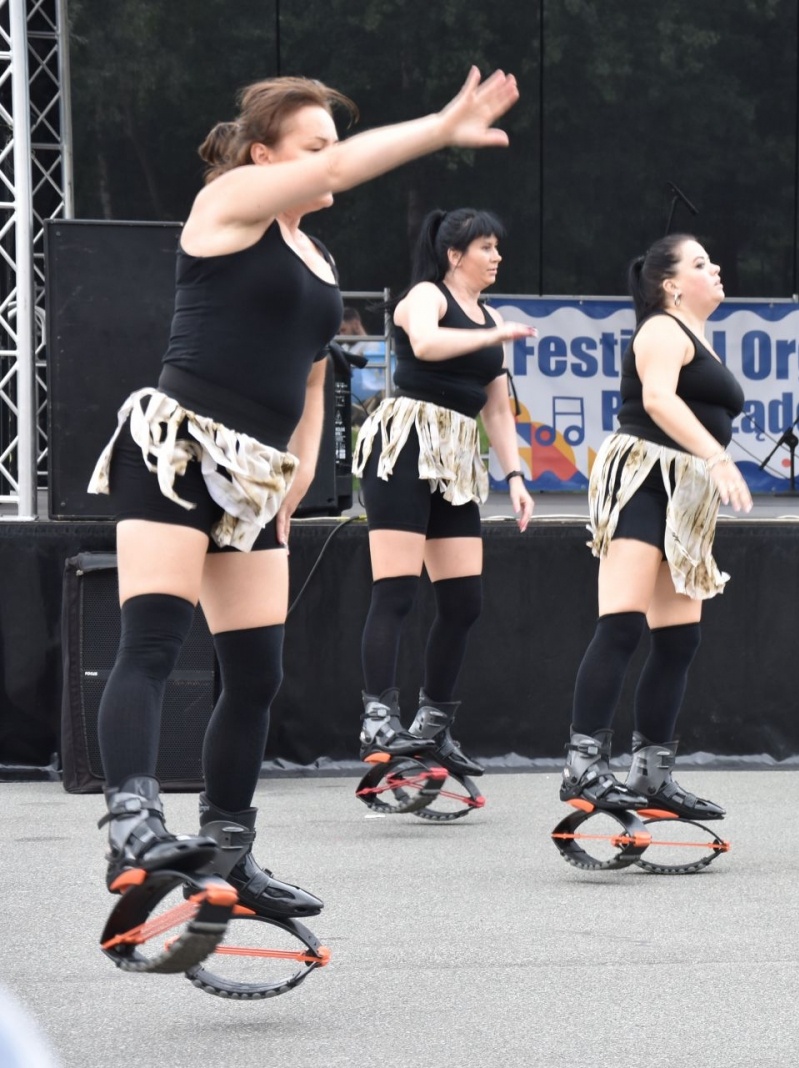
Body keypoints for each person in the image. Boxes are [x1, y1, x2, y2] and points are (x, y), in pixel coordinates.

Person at [86, 68, 519, 928]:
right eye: (313, 146)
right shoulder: (231, 202)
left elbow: (316, 387)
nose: (328, 161)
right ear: (263, 154)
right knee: (155, 644)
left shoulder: (316, 256)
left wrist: (292, 481)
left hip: (254, 478)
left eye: (331, 143)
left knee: (255, 674)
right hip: (178, 451)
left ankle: (230, 851)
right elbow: (337, 173)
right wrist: (438, 126)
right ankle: (132, 826)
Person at [560, 234, 751, 819]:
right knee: (621, 625)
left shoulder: (697, 336)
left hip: (683, 490)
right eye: (700, 263)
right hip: (644, 477)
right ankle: (584, 765)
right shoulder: (660, 329)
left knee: (678, 638)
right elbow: (660, 401)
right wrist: (717, 457)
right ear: (670, 284)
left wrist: (707, 463)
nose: (714, 268)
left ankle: (651, 774)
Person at [353, 207, 534, 773]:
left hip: (455, 457)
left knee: (463, 602)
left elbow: (499, 411)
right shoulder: (425, 297)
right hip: (405, 445)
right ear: (455, 255)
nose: (497, 257)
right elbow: (427, 346)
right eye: (486, 247)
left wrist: (516, 476)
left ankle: (432, 726)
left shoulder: (491, 315)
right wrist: (495, 332)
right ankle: (378, 718)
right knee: (398, 590)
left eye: (497, 248)